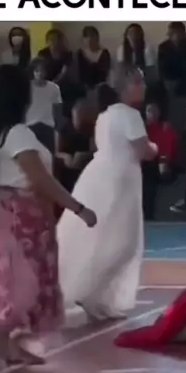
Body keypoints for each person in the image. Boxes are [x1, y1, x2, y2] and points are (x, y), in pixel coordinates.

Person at [0, 65, 96, 366]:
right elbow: (40, 180)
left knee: (11, 278)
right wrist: (78, 208)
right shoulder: (17, 134)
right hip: (20, 215)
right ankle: (3, 340)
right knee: (23, 282)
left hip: (8, 212)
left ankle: (5, 343)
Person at [57, 69, 158, 320]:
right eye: (138, 82)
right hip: (118, 182)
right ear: (125, 87)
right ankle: (91, 292)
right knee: (123, 242)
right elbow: (144, 151)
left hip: (98, 178)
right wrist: (155, 147)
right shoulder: (130, 115)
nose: (143, 86)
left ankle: (96, 296)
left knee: (103, 237)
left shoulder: (105, 115)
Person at [142, 101, 179, 221]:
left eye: (154, 110)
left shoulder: (165, 128)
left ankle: (148, 217)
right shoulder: (141, 129)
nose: (152, 113)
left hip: (163, 164)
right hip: (145, 163)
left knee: (149, 177)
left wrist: (163, 161)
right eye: (149, 110)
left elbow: (168, 151)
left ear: (159, 112)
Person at [55, 99, 95, 193]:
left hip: (87, 168)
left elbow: (96, 149)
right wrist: (66, 157)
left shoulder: (93, 128)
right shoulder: (63, 129)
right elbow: (57, 152)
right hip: (68, 170)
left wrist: (87, 156)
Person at [27, 57, 63, 154]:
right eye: (37, 70)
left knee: (49, 155)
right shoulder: (27, 87)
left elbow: (57, 108)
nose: (39, 73)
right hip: (30, 126)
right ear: (33, 72)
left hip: (48, 126)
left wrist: (57, 126)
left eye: (42, 70)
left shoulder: (54, 88)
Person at [157, 22, 186, 99]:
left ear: (182, 33)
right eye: (169, 34)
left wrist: (180, 46)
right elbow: (162, 68)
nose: (170, 36)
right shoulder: (163, 47)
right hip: (171, 80)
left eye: (173, 33)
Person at [75, 26, 111, 90]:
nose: (89, 39)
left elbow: (106, 73)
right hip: (83, 88)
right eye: (87, 37)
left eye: (92, 36)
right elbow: (78, 73)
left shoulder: (104, 53)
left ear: (97, 38)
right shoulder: (80, 53)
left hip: (101, 88)